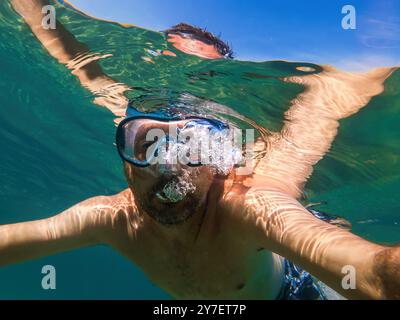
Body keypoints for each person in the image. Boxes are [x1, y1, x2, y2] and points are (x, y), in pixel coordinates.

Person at [3, 0, 399, 299]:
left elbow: (374, 275)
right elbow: (83, 68)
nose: (167, 166)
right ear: (123, 153)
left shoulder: (247, 208)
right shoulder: (112, 218)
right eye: (147, 143)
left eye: (192, 145)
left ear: (218, 158)